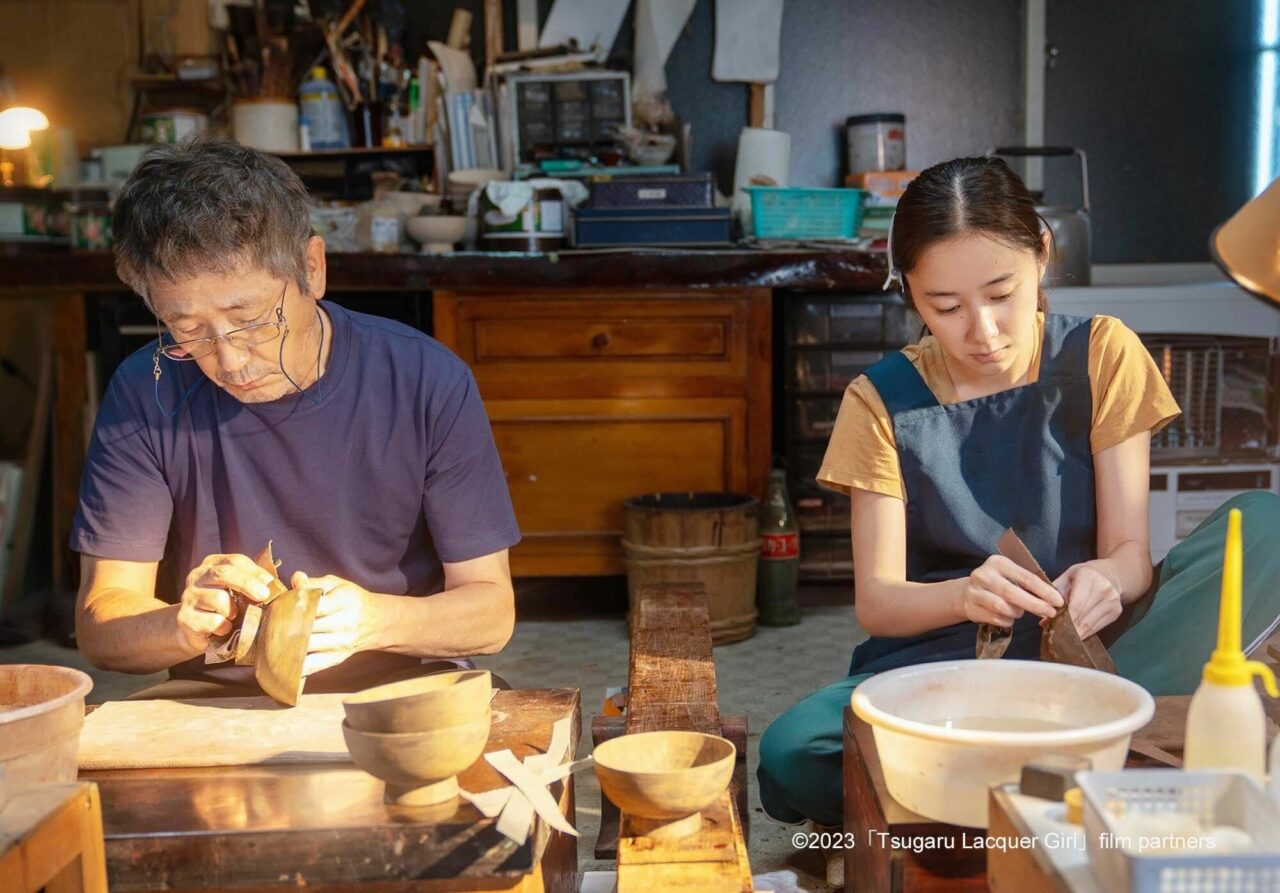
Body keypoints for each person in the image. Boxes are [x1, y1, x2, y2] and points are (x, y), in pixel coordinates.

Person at [757, 156, 1280, 838]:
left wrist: (1105, 578)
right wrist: (963, 595)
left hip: (1104, 653)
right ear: (910, 295)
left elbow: (1131, 556)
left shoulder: (1103, 353)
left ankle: (998, 782)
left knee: (1266, 524)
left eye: (1002, 293)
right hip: (952, 668)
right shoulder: (879, 402)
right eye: (945, 307)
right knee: (794, 750)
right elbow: (879, 601)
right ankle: (1080, 769)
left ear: (1042, 256)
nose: (984, 331)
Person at [71, 138, 520, 697]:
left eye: (253, 321)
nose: (229, 362)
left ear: (312, 268)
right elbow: (100, 621)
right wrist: (182, 625)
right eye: (187, 331)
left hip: (400, 681)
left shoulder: (426, 381)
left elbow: (491, 611)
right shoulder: (146, 389)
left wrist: (373, 620)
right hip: (217, 696)